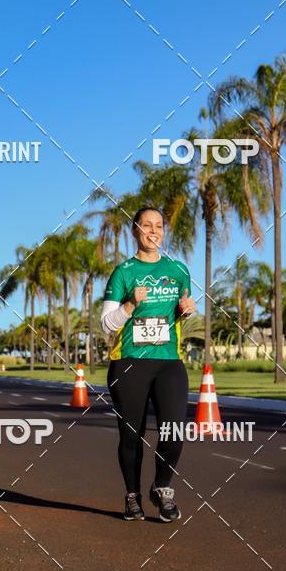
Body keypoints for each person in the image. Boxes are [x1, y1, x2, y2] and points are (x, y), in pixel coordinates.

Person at [100, 207, 196, 522]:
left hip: (168, 362)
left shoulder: (179, 270)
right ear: (135, 231)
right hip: (128, 363)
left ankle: (162, 487)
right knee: (132, 434)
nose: (153, 231)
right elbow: (106, 324)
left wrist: (187, 309)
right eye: (147, 225)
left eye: (159, 226)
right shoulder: (123, 272)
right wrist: (130, 304)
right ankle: (132, 496)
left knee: (174, 431)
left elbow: (180, 313)